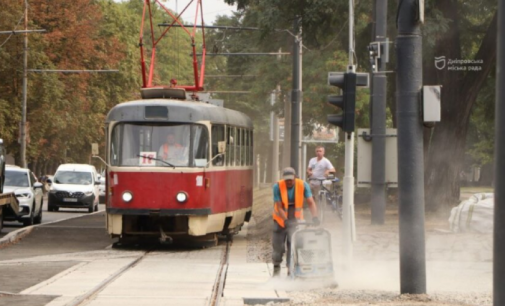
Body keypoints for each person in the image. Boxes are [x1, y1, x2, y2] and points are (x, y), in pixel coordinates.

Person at [272, 167, 319, 277]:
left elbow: (311, 202)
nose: (289, 182)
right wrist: (286, 220)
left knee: (293, 246)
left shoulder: (303, 185)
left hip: (296, 221)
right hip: (280, 220)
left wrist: (315, 217)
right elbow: (279, 207)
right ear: (284, 178)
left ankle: (290, 270)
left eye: (291, 179)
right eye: (287, 179)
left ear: (295, 177)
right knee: (278, 247)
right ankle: (276, 270)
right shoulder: (277, 186)